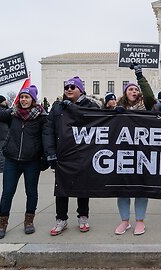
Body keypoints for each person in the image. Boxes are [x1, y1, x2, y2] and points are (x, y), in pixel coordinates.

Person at [0, 83, 47, 239]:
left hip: (31, 161)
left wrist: (45, 158)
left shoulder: (42, 117)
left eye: (27, 97)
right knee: (7, 193)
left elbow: (46, 138)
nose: (24, 100)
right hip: (12, 160)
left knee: (31, 192)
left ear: (33, 100)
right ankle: (2, 224)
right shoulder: (12, 114)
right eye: (22, 97)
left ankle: (29, 221)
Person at [43, 76, 100, 236]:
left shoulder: (90, 105)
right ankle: (61, 219)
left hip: (83, 153)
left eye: (72, 87)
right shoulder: (57, 107)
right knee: (61, 188)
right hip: (62, 154)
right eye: (66, 87)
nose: (68, 89)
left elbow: (94, 120)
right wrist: (51, 152)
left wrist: (72, 108)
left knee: (83, 187)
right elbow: (48, 130)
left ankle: (83, 217)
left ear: (80, 90)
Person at [114, 64, 155, 235]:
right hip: (122, 154)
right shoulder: (117, 109)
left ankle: (139, 220)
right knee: (122, 188)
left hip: (141, 153)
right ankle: (125, 221)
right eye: (130, 89)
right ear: (125, 93)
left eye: (136, 89)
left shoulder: (145, 107)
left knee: (140, 187)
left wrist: (139, 76)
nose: (134, 91)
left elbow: (150, 96)